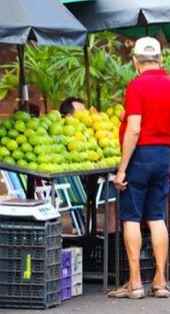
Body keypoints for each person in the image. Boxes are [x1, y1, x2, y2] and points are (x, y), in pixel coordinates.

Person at [109, 37, 170, 299]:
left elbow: (133, 129)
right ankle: (161, 281)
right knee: (157, 217)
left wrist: (122, 169)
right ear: (161, 59)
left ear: (135, 60)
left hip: (139, 156)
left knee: (131, 217)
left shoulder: (136, 87)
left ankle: (134, 283)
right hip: (161, 155)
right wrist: (169, 155)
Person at [59, 97, 117, 235]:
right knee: (113, 182)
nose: (87, 116)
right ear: (68, 117)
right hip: (84, 188)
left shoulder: (82, 137)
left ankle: (88, 228)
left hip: (73, 190)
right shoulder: (72, 141)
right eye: (82, 113)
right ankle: (112, 232)